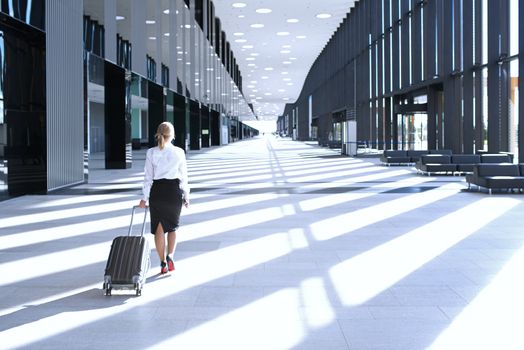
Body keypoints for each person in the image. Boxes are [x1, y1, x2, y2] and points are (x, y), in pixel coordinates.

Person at [138, 122, 189, 274]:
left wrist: (144, 198)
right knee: (172, 227)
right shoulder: (179, 152)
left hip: (158, 192)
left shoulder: (151, 152)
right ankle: (171, 256)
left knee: (159, 228)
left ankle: (162, 263)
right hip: (174, 192)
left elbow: (148, 177)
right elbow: (184, 177)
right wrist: (186, 195)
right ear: (172, 135)